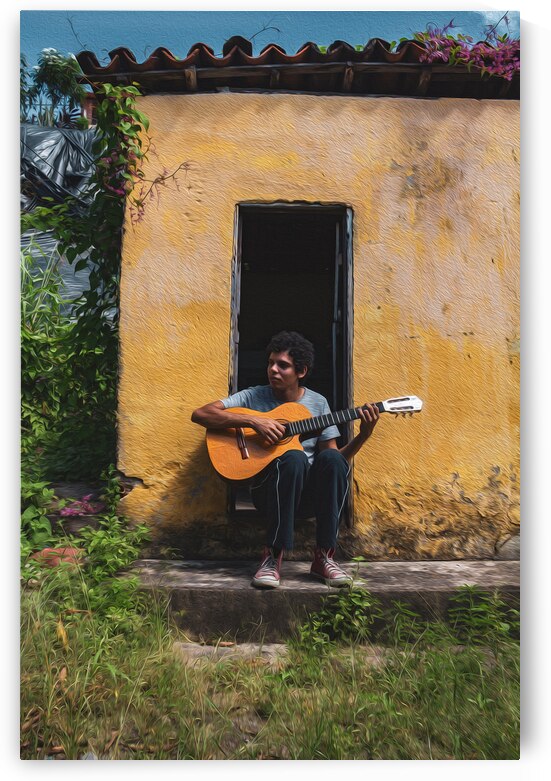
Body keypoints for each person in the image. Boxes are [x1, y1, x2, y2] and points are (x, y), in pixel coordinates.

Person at [191, 331, 379, 588]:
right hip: (269, 494)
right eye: (271, 363)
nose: (273, 370)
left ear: (301, 371)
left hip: (307, 498)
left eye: (282, 365)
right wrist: (253, 421)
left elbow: (335, 461)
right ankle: (272, 557)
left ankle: (324, 557)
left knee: (332, 459)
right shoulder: (253, 396)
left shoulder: (318, 403)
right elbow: (201, 414)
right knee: (294, 457)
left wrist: (363, 436)